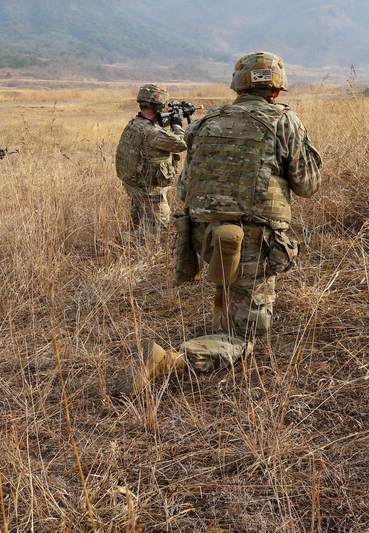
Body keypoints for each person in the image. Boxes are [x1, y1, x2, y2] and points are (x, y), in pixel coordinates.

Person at [117, 51, 322, 395]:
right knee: (244, 337)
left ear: (238, 86)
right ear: (276, 91)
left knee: (229, 286)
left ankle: (221, 321)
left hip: (203, 235)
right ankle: (171, 360)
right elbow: (307, 185)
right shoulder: (284, 121)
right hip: (252, 240)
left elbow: (182, 186)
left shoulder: (207, 120)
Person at [115, 83, 187, 239]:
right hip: (149, 189)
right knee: (157, 229)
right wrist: (177, 124)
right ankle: (125, 241)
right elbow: (181, 143)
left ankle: (128, 236)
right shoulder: (153, 133)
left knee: (141, 211)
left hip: (134, 184)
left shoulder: (135, 123)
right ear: (159, 105)